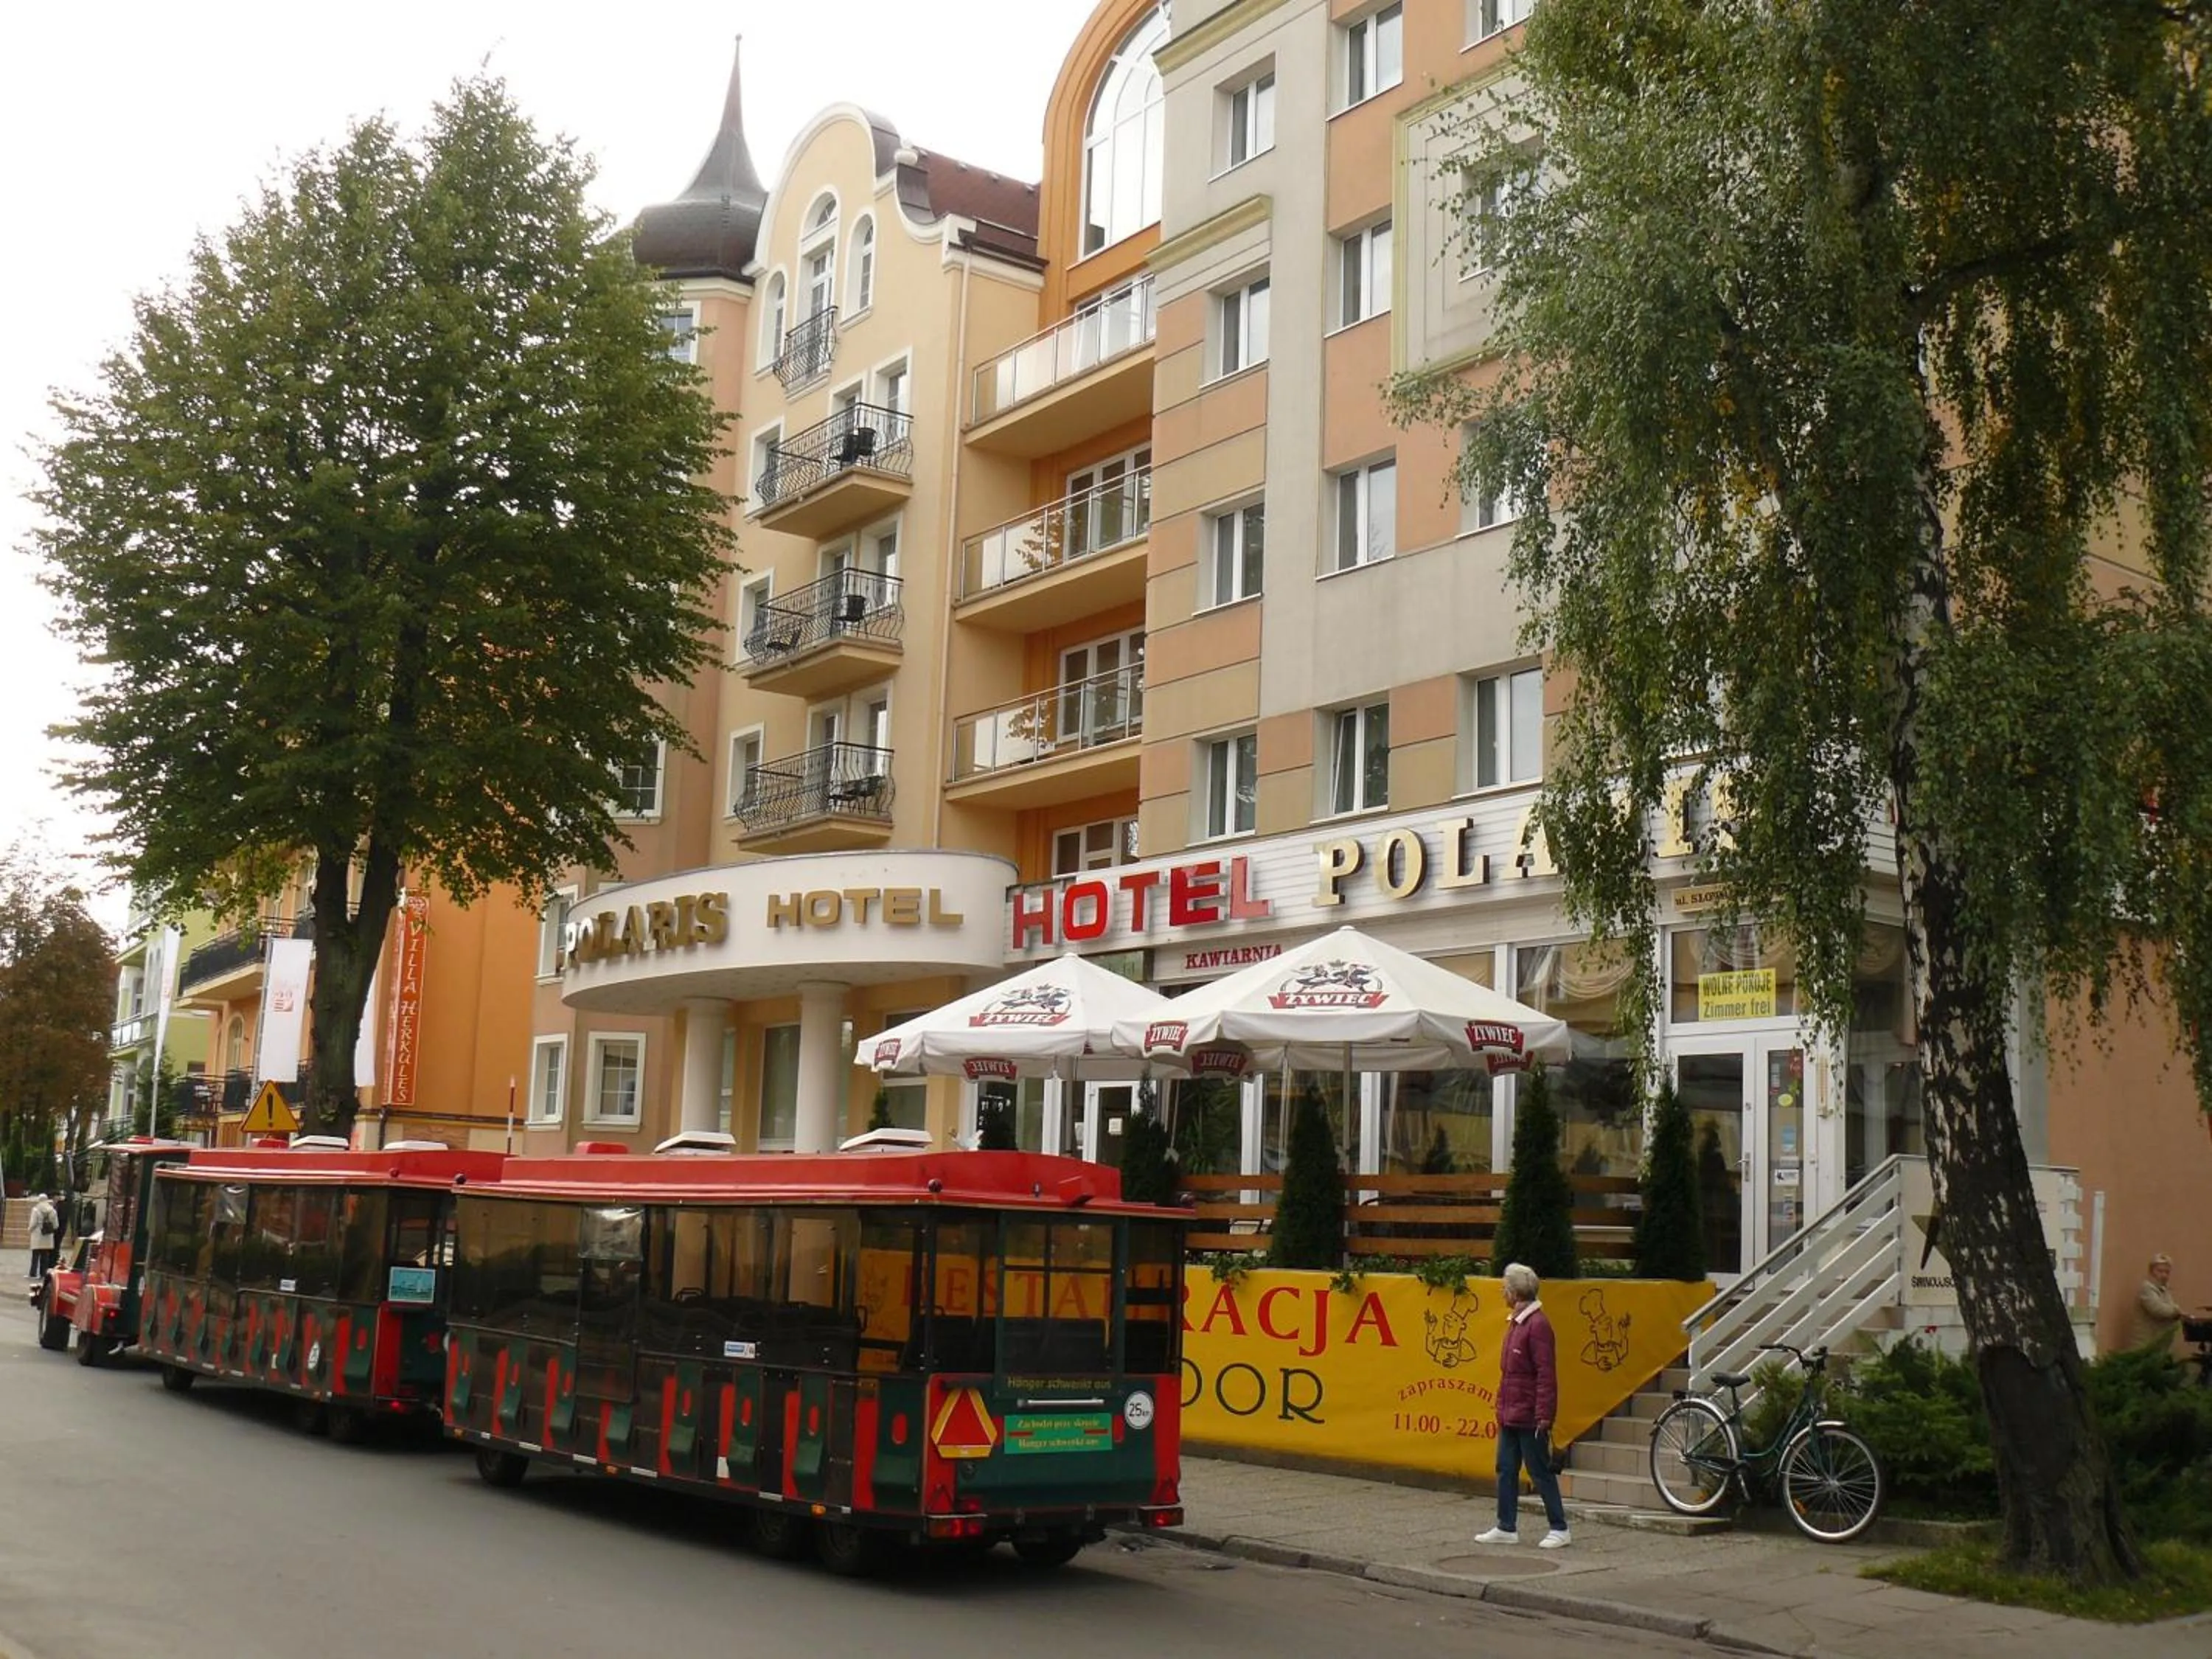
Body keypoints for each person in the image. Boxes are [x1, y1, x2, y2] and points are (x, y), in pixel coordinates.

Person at [1476, 1262, 1571, 1550]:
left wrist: (1544, 1415)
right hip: (1511, 1410)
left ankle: (1560, 1527)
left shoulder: (1538, 1325)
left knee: (1539, 1470)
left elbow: (1546, 1373)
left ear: (1516, 1293)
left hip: (1529, 1414)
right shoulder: (1518, 1322)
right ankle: (1506, 1526)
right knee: (1505, 1467)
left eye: (1505, 1287)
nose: (1502, 1292)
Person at [2126, 1253, 2184, 1354]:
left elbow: (2169, 1309)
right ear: (2152, 1271)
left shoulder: (2164, 1290)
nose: (2164, 1275)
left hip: (2159, 1343)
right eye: (2160, 1271)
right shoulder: (2146, 1289)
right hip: (2147, 1343)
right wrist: (2176, 1310)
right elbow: (2159, 1310)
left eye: (2167, 1272)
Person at [25, 1192, 60, 1284]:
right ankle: (43, 1274)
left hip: (37, 1236)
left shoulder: (36, 1210)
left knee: (35, 1256)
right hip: (47, 1237)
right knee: (45, 1257)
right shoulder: (52, 1210)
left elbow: (33, 1223)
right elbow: (56, 1225)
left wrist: (29, 1230)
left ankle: (33, 1274)